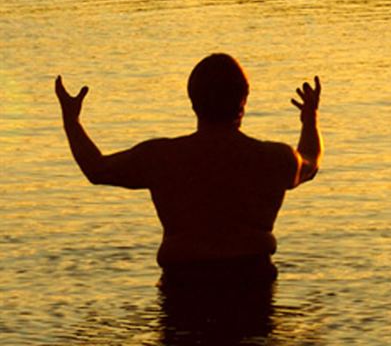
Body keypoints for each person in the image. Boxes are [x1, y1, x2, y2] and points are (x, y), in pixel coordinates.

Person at [55, 53, 322, 289]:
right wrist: (310, 118)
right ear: (244, 100)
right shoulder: (274, 158)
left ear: (193, 102)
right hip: (253, 285)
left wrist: (72, 120)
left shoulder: (161, 157)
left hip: (182, 287)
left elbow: (96, 169)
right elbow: (310, 162)